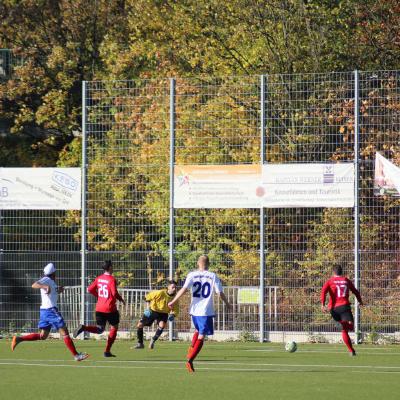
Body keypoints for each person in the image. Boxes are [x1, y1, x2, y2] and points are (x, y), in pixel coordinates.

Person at [11, 263, 89, 361]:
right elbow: (34, 285)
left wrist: (58, 289)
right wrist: (45, 287)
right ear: (53, 273)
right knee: (64, 332)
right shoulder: (46, 279)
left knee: (43, 336)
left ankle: (18, 339)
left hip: (44, 311)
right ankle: (76, 355)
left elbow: (52, 292)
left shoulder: (51, 281)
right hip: (51, 310)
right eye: (55, 272)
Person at [168, 255, 231, 373]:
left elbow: (183, 289)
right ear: (209, 264)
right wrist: (227, 303)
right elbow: (220, 292)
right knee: (202, 335)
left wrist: (173, 301)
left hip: (194, 310)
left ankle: (190, 351)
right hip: (205, 311)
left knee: (197, 331)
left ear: (198, 263)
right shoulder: (213, 276)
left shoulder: (192, 275)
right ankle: (190, 360)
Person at [73, 260, 125, 357]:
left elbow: (89, 289)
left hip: (99, 308)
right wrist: (120, 299)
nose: (113, 267)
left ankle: (84, 328)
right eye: (112, 266)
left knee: (100, 329)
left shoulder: (99, 278)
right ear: (109, 267)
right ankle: (107, 351)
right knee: (114, 327)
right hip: (110, 308)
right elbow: (114, 293)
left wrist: (98, 296)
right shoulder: (111, 279)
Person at [321, 265, 363, 356]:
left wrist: (323, 304)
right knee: (350, 327)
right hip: (344, 307)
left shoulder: (330, 281)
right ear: (341, 272)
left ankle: (351, 351)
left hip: (333, 309)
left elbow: (323, 291)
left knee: (344, 330)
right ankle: (344, 325)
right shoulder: (346, 280)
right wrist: (360, 301)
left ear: (333, 272)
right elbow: (355, 291)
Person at [134, 280, 179, 350]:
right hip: (153, 311)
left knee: (162, 325)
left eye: (175, 287)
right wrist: (148, 307)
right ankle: (140, 343)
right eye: (173, 287)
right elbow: (147, 297)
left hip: (163, 313)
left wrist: (172, 315)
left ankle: (153, 340)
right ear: (168, 287)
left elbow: (176, 309)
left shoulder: (175, 298)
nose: (174, 289)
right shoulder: (160, 293)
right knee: (140, 325)